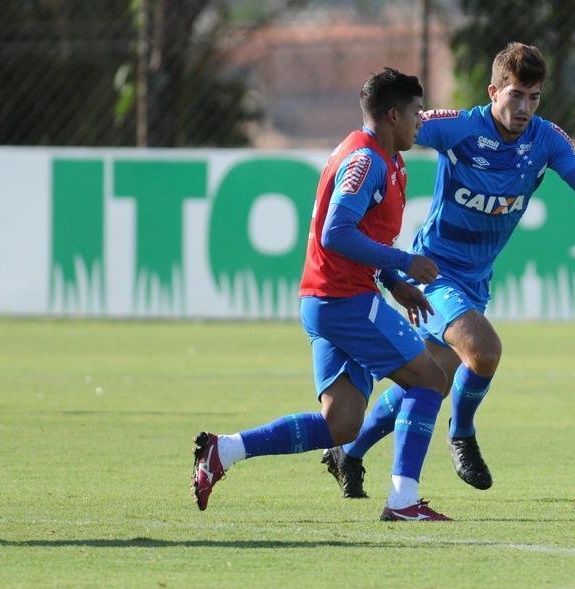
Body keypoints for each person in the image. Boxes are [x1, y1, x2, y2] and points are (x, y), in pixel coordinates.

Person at [319, 42, 575, 499]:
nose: (525, 107)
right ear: (494, 92)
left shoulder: (547, 139)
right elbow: (395, 128)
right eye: (516, 95)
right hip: (431, 273)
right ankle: (462, 434)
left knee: (429, 378)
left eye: (534, 97)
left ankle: (348, 453)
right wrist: (359, 158)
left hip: (475, 281)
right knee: (485, 350)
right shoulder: (460, 128)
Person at [192, 68, 454, 521]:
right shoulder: (365, 160)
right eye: (416, 112)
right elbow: (336, 232)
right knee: (431, 378)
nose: (421, 120)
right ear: (393, 115)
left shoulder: (386, 159)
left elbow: (364, 235)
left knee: (342, 423)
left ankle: (224, 451)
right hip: (344, 300)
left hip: (331, 300)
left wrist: (395, 283)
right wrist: (404, 263)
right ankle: (403, 500)